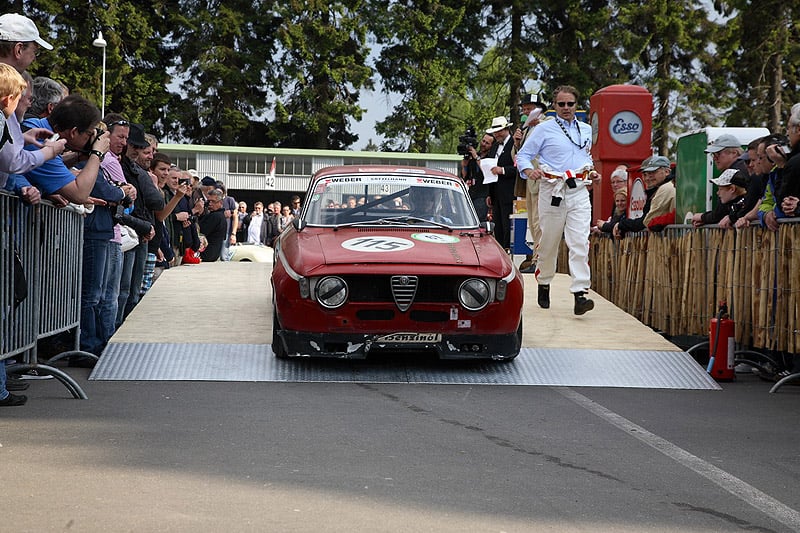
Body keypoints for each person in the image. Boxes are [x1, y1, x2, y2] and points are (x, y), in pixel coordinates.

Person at [515, 85, 601, 315]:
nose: (565, 108)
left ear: (576, 105)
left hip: (579, 190)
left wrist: (591, 172)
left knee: (580, 241)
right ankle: (544, 282)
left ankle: (580, 293)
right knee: (549, 242)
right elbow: (523, 155)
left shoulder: (584, 129)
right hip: (552, 190)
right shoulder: (543, 129)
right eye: (561, 104)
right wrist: (528, 170)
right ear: (554, 106)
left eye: (570, 104)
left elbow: (585, 157)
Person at [513, 93, 548, 272]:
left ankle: (540, 261)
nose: (526, 112)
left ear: (539, 109)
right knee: (533, 221)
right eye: (524, 109)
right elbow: (517, 157)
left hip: (542, 180)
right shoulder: (526, 130)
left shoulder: (546, 125)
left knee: (539, 221)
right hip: (529, 182)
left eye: (529, 108)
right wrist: (517, 143)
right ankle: (536, 258)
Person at [613, 155, 675, 237]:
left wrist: (622, 225)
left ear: (667, 172)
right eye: (645, 174)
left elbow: (647, 221)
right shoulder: (658, 189)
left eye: (652, 173)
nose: (648, 178)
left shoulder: (665, 188)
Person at [485, 116, 518, 250]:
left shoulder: (514, 144)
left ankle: (507, 248)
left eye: (499, 131)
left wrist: (502, 170)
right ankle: (499, 248)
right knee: (497, 223)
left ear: (506, 129)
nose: (496, 134)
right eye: (495, 132)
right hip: (495, 190)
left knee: (507, 223)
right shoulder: (494, 147)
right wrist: (489, 193)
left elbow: (518, 168)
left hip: (509, 191)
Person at [461, 133, 493, 222]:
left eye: (487, 143)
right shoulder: (473, 156)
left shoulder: (490, 158)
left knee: (478, 221)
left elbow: (487, 172)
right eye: (483, 141)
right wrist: (464, 165)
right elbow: (464, 176)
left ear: (491, 146)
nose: (484, 144)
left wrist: (476, 157)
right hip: (470, 193)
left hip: (482, 195)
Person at [198, 188, 227, 261]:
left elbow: (200, 231)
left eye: (213, 201)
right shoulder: (220, 215)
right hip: (213, 254)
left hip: (207, 254)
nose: (210, 204)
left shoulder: (215, 216)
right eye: (208, 201)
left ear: (220, 203)